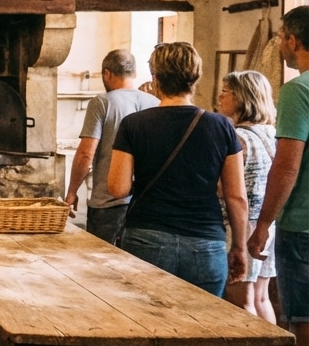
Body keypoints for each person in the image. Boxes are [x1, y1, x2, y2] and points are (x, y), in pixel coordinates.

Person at [107, 42, 247, 296]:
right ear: (195, 78)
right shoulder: (221, 126)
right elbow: (236, 196)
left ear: (156, 79)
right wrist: (239, 246)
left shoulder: (133, 124)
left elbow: (118, 188)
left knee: (147, 317)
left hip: (147, 237)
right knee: (204, 318)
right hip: (206, 242)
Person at [247, 6, 309, 346]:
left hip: (302, 226)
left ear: (293, 41)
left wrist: (263, 224)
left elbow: (286, 166)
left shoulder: (298, 91)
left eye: (282, 37)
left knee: (302, 321)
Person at [63, 49, 158, 244]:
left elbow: (86, 153)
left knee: (102, 260)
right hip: (145, 205)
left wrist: (72, 192)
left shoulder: (102, 103)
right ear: (134, 73)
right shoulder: (155, 103)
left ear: (107, 73)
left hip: (108, 206)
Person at [217, 70, 279, 323]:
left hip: (241, 226)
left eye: (226, 92)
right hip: (267, 224)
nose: (220, 96)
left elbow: (224, 188)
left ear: (243, 98)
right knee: (261, 298)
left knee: (241, 300)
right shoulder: (271, 132)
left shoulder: (239, 137)